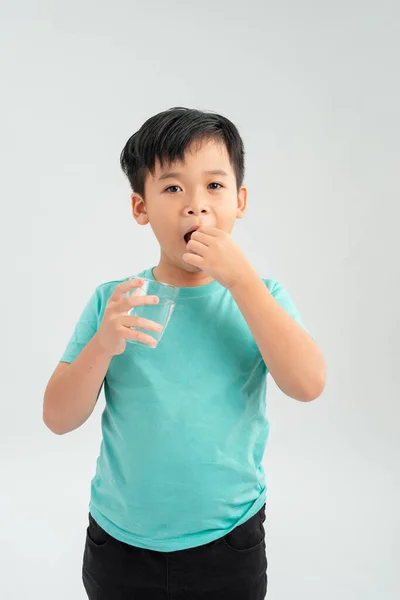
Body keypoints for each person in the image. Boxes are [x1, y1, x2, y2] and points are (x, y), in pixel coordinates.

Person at [43, 107, 326, 599]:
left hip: (229, 542)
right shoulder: (114, 301)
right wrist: (104, 344)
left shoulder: (263, 296)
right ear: (141, 208)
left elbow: (307, 384)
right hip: (119, 542)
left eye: (214, 187)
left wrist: (241, 281)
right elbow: (57, 418)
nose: (196, 206)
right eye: (173, 188)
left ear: (240, 201)